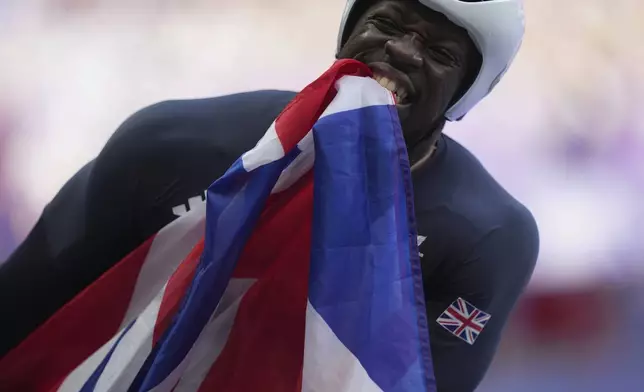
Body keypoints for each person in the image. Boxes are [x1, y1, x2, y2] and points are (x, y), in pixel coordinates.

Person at [0, 0, 539, 390]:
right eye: (385, 23)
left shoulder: (484, 237)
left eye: (439, 52)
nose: (400, 50)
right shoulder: (168, 145)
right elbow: (22, 308)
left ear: (467, 92)